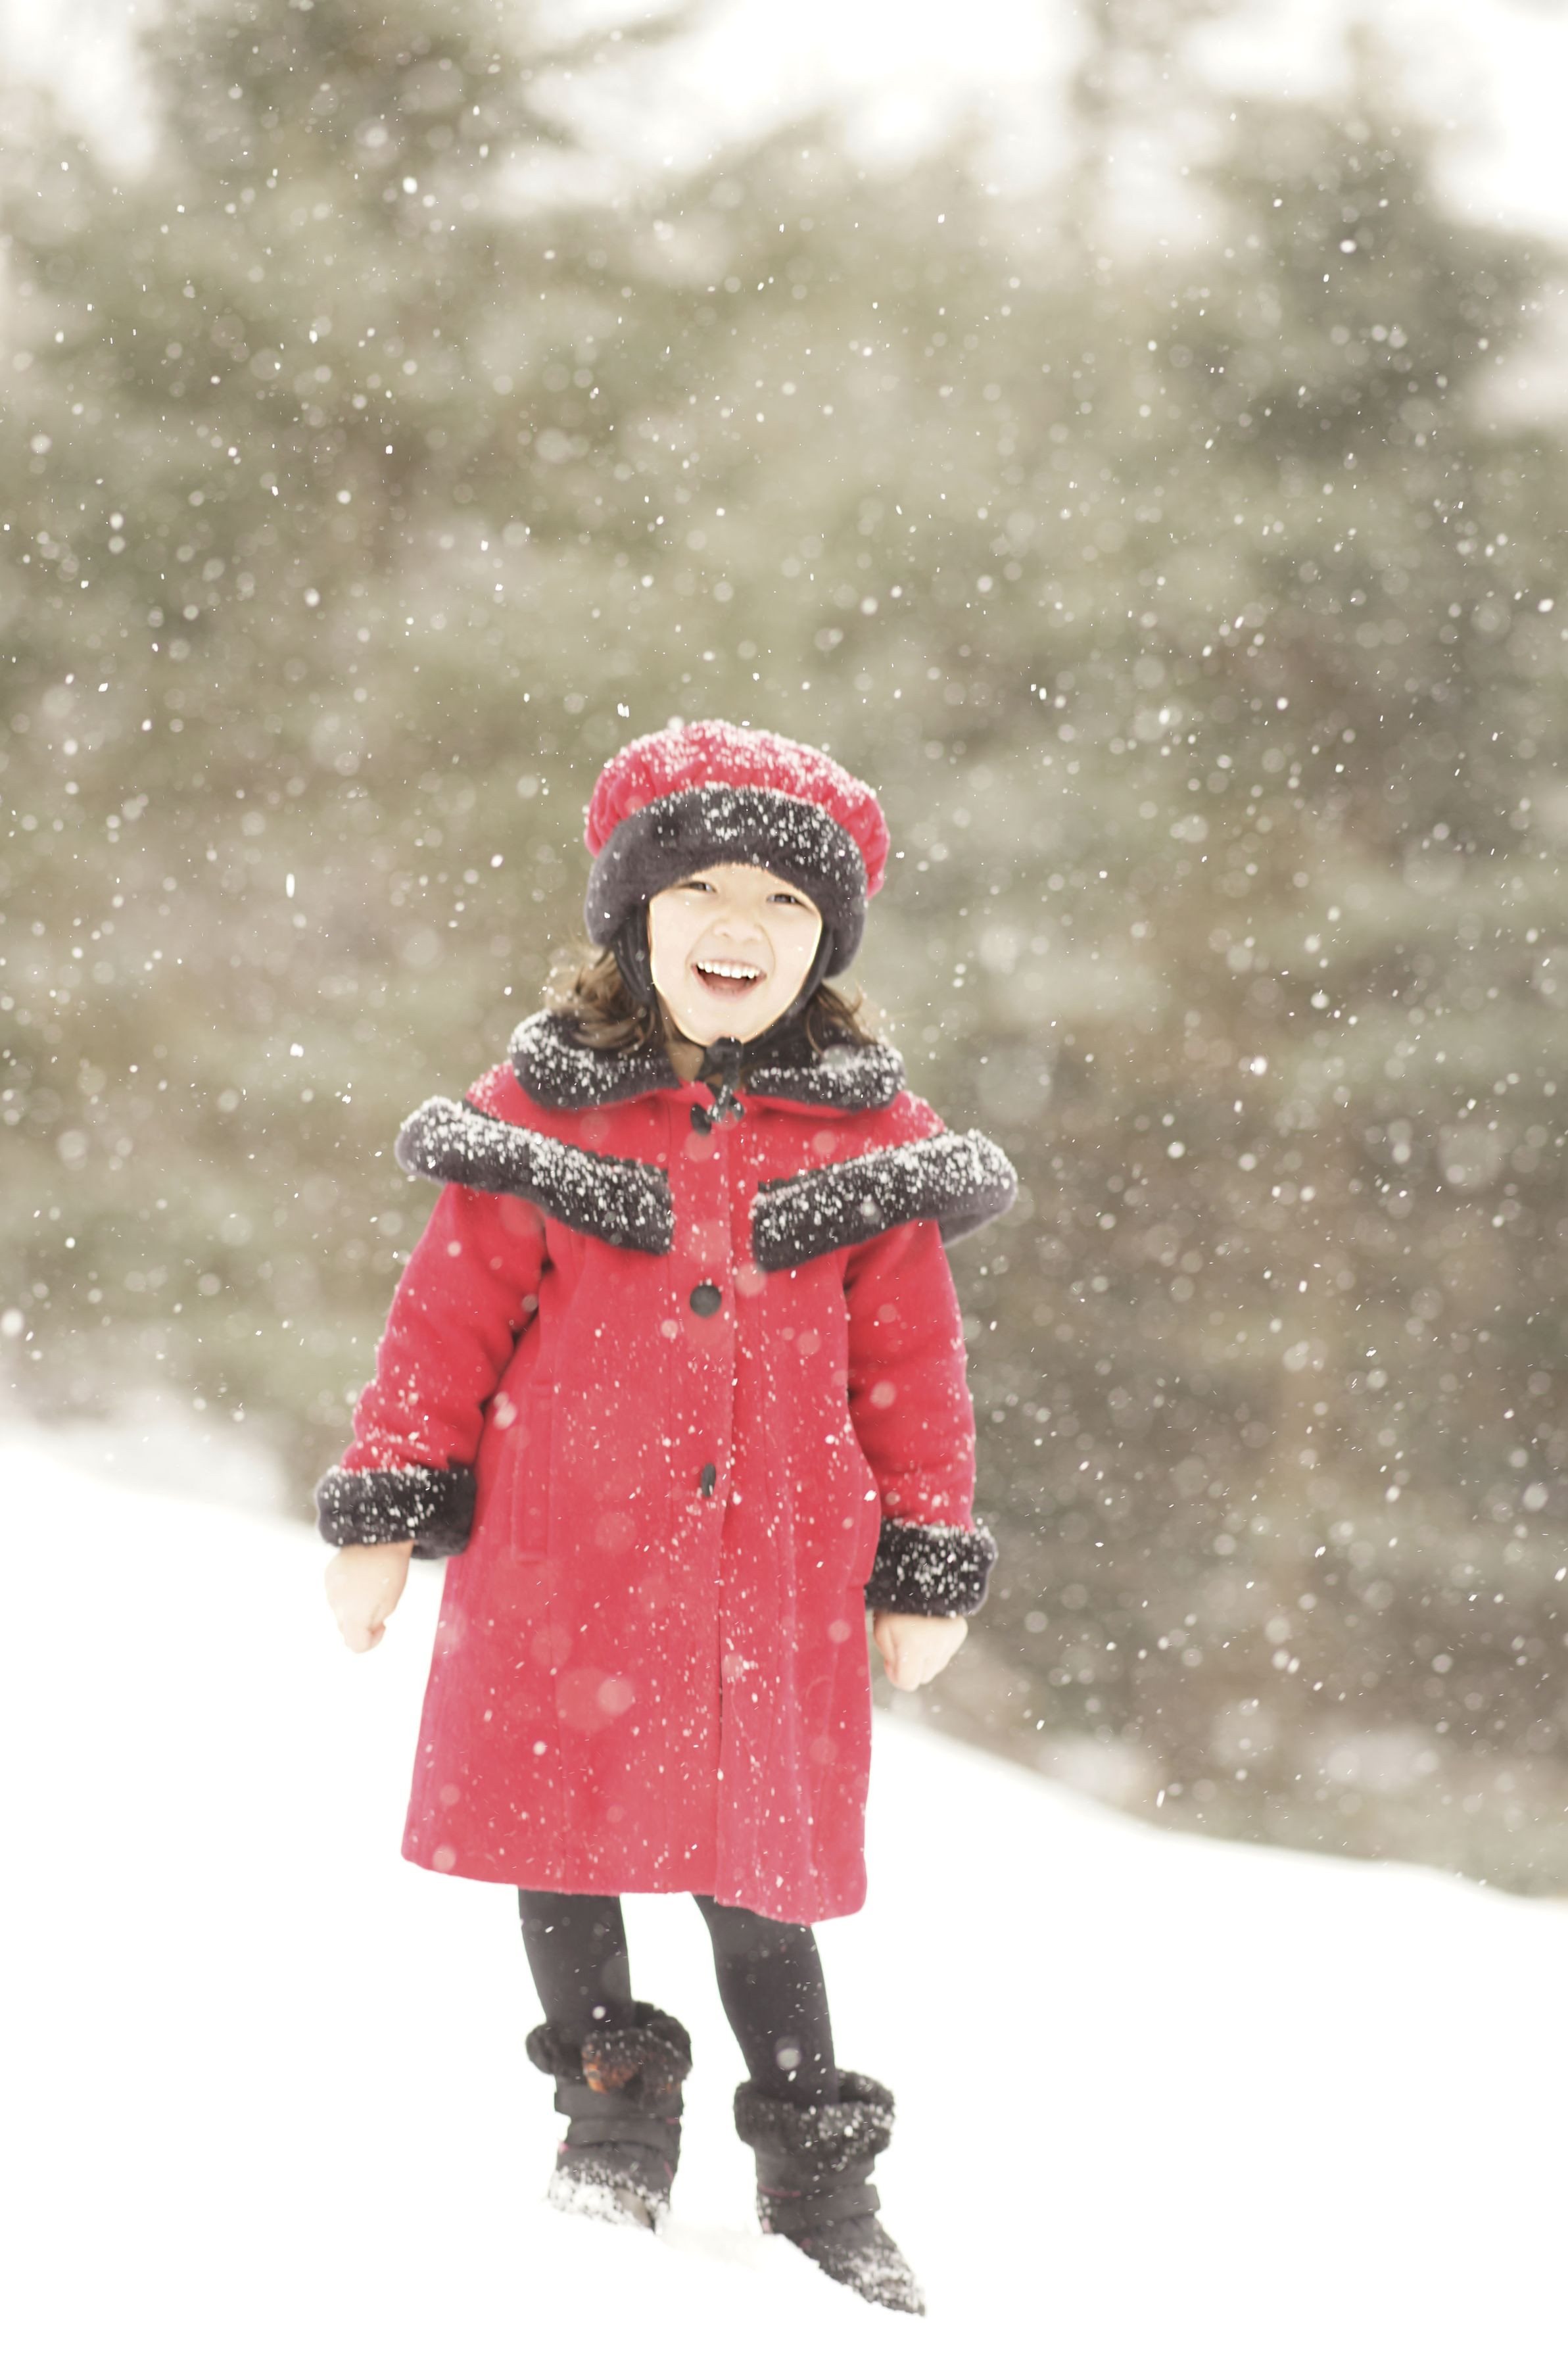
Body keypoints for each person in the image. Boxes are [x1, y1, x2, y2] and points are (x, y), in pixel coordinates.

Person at [315, 719, 1015, 2315]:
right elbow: (444, 1326)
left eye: (781, 900)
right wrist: (383, 1509)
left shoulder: (868, 1147)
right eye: (699, 886)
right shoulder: (542, 1113)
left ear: (824, 944)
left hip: (772, 1573)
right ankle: (612, 2109)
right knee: (558, 1835)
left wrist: (925, 1550)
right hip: (560, 1551)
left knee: (756, 1869)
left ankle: (814, 2173)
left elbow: (912, 1366)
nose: (735, 924)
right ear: (633, 913)